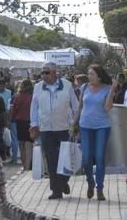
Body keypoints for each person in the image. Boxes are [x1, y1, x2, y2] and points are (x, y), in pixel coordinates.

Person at [30, 62, 79, 200]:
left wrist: (75, 123)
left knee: (66, 159)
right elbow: (34, 107)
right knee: (52, 160)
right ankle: (56, 190)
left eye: (47, 72)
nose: (44, 75)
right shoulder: (38, 87)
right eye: (42, 73)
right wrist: (34, 124)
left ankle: (63, 181)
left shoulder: (67, 85)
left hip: (63, 128)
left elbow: (75, 105)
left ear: (55, 73)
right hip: (46, 128)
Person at [75, 64, 116, 201]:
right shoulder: (84, 87)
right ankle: (90, 182)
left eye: (92, 74)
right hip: (85, 126)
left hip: (102, 126)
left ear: (99, 76)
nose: (89, 76)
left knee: (99, 157)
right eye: (89, 73)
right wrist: (74, 123)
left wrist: (112, 91)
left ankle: (100, 188)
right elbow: (80, 106)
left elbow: (107, 108)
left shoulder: (107, 89)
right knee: (86, 159)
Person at [12, 79, 34, 171]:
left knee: (21, 145)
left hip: (20, 122)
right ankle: (28, 166)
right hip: (30, 122)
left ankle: (24, 166)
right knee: (28, 145)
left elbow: (14, 111)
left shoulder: (18, 97)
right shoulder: (33, 96)